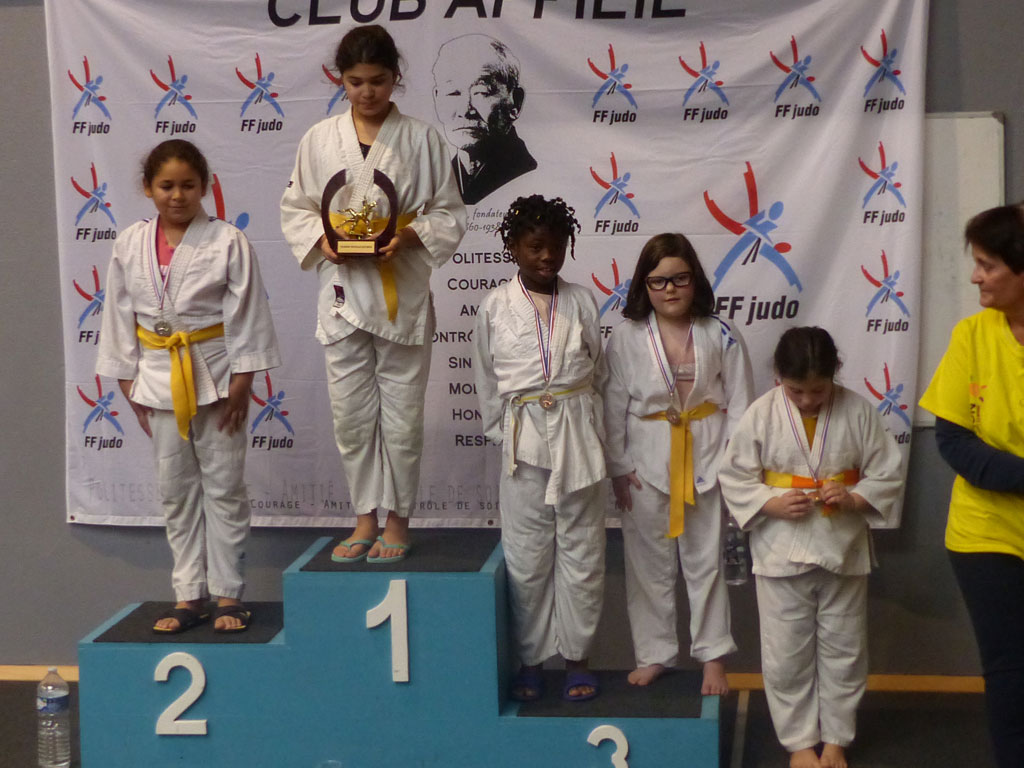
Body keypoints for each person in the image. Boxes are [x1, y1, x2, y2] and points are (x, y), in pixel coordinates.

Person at [280, 25, 466, 564]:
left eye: (378, 81)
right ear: (340, 79)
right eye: (356, 81)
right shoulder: (318, 140)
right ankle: (364, 516)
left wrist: (409, 236)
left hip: (399, 291)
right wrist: (323, 241)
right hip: (341, 294)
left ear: (396, 78)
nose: (367, 92)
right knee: (351, 418)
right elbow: (296, 208)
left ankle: (398, 519)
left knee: (403, 420)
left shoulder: (422, 139)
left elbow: (449, 211)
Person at [96, 139, 280, 634]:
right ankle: (188, 596)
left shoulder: (227, 241)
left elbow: (248, 313)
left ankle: (228, 595)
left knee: (224, 488)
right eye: (166, 186)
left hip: (217, 376)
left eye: (187, 185)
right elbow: (117, 313)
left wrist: (244, 379)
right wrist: (127, 380)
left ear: (205, 187)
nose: (177, 195)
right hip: (157, 378)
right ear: (148, 188)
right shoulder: (130, 243)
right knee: (175, 491)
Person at [719, 327, 902, 768]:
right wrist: (771, 503)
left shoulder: (858, 411)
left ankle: (837, 738)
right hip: (781, 549)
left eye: (818, 390)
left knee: (845, 650)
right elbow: (735, 476)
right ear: (778, 377)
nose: (807, 400)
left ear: (834, 374)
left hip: (842, 547)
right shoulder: (762, 414)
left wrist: (853, 498)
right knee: (785, 655)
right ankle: (800, 742)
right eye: (795, 390)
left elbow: (887, 472)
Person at [602, 233, 754, 694]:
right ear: (643, 285)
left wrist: (733, 466)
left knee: (706, 563)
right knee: (647, 565)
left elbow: (741, 405)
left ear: (695, 280)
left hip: (707, 458)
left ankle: (713, 657)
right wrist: (619, 466)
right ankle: (654, 654)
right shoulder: (626, 337)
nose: (670, 289)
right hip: (644, 463)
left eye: (680, 279)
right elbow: (612, 405)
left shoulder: (721, 332)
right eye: (659, 281)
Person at [473, 195, 607, 702]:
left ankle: (578, 660)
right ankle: (530, 662)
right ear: (512, 247)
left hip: (578, 439)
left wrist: (590, 427)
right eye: (534, 246)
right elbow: (487, 381)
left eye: (555, 246)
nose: (547, 256)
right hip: (522, 443)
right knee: (527, 558)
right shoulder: (494, 307)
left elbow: (599, 372)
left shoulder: (583, 301)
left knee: (583, 553)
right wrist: (504, 434)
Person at [918, 203, 1024, 768]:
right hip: (985, 531)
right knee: (1009, 669)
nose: (975, 276)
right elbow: (954, 441)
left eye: (988, 265)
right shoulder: (972, 335)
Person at [432, 34, 537, 205]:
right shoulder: (439, 182)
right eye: (452, 93)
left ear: (516, 102)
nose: (465, 111)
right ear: (437, 98)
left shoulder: (526, 171)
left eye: (481, 92)